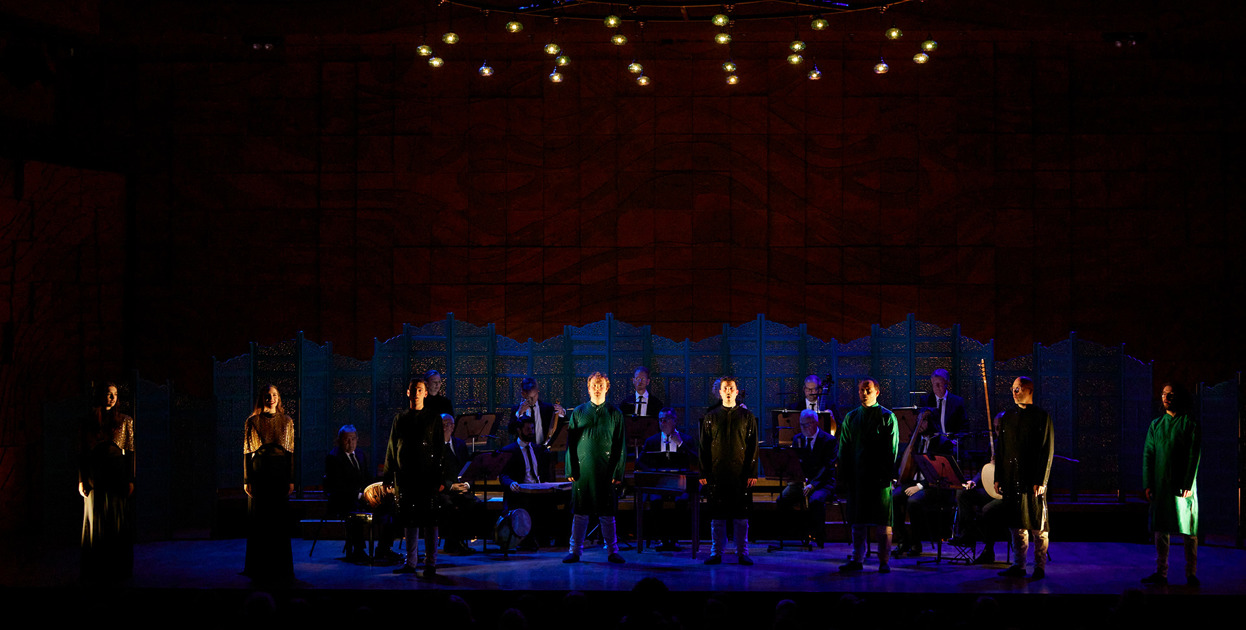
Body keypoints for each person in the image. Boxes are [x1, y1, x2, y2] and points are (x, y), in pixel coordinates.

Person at [563, 372, 627, 564]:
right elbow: (570, 443)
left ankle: (612, 550)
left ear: (607, 388)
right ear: (588, 388)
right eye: (594, 385)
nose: (597, 388)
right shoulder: (578, 412)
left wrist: (618, 471)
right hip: (582, 470)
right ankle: (575, 550)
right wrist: (570, 469)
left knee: (607, 513)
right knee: (580, 512)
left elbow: (620, 445)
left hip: (606, 470)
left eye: (601, 385)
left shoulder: (615, 413)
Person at [1141, 382, 1201, 587]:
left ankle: (1191, 573)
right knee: (1161, 529)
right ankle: (1161, 572)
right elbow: (1148, 455)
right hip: (1161, 484)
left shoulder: (1189, 424)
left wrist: (1188, 484)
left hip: (1183, 486)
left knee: (1189, 529)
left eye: (1170, 394)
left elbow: (1194, 456)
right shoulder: (1156, 425)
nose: (1166, 398)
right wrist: (1148, 483)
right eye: (1163, 394)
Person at [384, 377, 444, 577]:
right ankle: (410, 561)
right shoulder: (400, 419)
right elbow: (392, 448)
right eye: (414, 390)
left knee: (430, 521)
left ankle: (430, 563)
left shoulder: (434, 418)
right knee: (410, 520)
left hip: (427, 478)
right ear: (408, 392)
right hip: (406, 477)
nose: (417, 394)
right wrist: (388, 477)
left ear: (425, 393)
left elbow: (440, 449)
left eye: (420, 390)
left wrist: (440, 478)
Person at [995, 376, 1055, 580]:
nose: (1014, 392)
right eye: (1013, 388)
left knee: (1038, 524)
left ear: (1029, 390)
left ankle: (1039, 566)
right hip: (1012, 478)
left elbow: (1047, 449)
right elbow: (1001, 449)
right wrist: (999, 476)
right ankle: (1018, 565)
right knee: (1016, 524)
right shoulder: (1007, 417)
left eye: (1018, 388)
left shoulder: (1041, 417)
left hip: (1033, 479)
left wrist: (1042, 480)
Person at [838, 378, 899, 573]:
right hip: (857, 477)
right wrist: (844, 475)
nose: (864, 393)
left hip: (880, 478)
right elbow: (844, 448)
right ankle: (857, 559)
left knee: (883, 522)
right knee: (858, 520)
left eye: (868, 390)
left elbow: (892, 449)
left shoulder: (887, 417)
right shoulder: (851, 417)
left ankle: (884, 561)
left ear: (877, 392)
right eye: (861, 390)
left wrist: (887, 474)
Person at [700, 376, 759, 565]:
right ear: (720, 392)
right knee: (717, 515)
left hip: (740, 473)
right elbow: (704, 446)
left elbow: (753, 446)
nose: (727, 391)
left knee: (741, 516)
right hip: (717, 473)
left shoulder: (747, 416)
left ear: (736, 391)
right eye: (724, 388)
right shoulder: (711, 416)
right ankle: (716, 552)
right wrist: (704, 472)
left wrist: (752, 472)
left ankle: (742, 552)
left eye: (731, 388)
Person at [79, 382, 135, 582]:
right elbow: (82, 452)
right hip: (96, 473)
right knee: (96, 518)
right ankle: (96, 568)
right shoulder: (89, 420)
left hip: (117, 473)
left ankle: (117, 567)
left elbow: (130, 452)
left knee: (116, 518)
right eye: (109, 393)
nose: (112, 398)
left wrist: (130, 479)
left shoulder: (125, 420)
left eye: (115, 394)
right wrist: (81, 479)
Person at [242, 385, 296, 582]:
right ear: (262, 398)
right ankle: (259, 567)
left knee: (279, 520)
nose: (271, 398)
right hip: (260, 472)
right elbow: (247, 453)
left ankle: (280, 567)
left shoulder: (287, 421)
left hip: (280, 473)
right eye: (267, 395)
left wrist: (291, 479)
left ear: (278, 398)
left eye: (274, 395)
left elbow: (290, 453)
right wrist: (247, 480)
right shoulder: (252, 421)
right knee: (261, 520)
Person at [638, 408, 698, 552]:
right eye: (660, 420)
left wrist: (680, 444)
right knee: (655, 501)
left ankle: (675, 539)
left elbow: (696, 461)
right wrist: (653, 473)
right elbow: (639, 462)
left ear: (675, 421)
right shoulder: (652, 441)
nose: (663, 422)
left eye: (666, 419)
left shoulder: (686, 440)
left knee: (681, 501)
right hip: (659, 483)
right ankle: (662, 539)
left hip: (680, 483)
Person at [950, 412, 1006, 564]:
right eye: (995, 427)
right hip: (991, 490)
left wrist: (1001, 465)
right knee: (963, 493)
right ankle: (967, 533)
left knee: (988, 509)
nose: (997, 431)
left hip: (1006, 494)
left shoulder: (1014, 446)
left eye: (1000, 427)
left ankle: (989, 550)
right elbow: (984, 469)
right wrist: (974, 481)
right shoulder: (994, 444)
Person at [500, 414, 558, 551]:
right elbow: (503, 475)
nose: (531, 432)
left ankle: (554, 539)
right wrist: (511, 483)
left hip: (539, 490)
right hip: (521, 492)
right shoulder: (509, 451)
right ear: (519, 430)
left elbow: (544, 472)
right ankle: (527, 540)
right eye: (527, 429)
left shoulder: (538, 449)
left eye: (532, 428)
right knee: (527, 504)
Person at [783, 409, 837, 546]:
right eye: (802, 425)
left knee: (815, 500)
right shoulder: (798, 439)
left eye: (807, 425)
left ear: (815, 423)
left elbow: (827, 467)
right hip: (802, 482)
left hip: (823, 483)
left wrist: (813, 484)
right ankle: (797, 533)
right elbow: (795, 462)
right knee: (782, 499)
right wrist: (795, 478)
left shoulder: (828, 440)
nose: (804, 428)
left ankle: (819, 536)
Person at [324, 424, 373, 562]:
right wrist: (358, 495)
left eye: (353, 439)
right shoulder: (333, 458)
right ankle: (358, 550)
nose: (350, 442)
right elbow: (338, 486)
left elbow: (367, 478)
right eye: (346, 439)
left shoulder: (360, 455)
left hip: (360, 497)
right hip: (341, 498)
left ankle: (384, 548)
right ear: (339, 440)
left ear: (357, 439)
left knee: (387, 506)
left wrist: (372, 491)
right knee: (354, 509)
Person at [439, 413, 481, 554]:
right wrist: (451, 486)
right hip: (443, 489)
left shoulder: (460, 444)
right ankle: (453, 543)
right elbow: (434, 473)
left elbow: (468, 468)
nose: (446, 427)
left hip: (460, 486)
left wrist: (467, 484)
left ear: (453, 427)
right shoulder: (434, 446)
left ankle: (463, 540)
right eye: (443, 424)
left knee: (474, 503)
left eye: (449, 424)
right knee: (450, 505)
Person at [513, 377, 566, 446]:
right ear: (523, 394)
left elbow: (563, 426)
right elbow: (511, 430)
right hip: (524, 450)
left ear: (538, 391)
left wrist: (562, 413)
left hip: (544, 449)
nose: (533, 400)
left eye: (535, 396)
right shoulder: (516, 410)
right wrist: (519, 414)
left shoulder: (548, 408)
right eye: (529, 397)